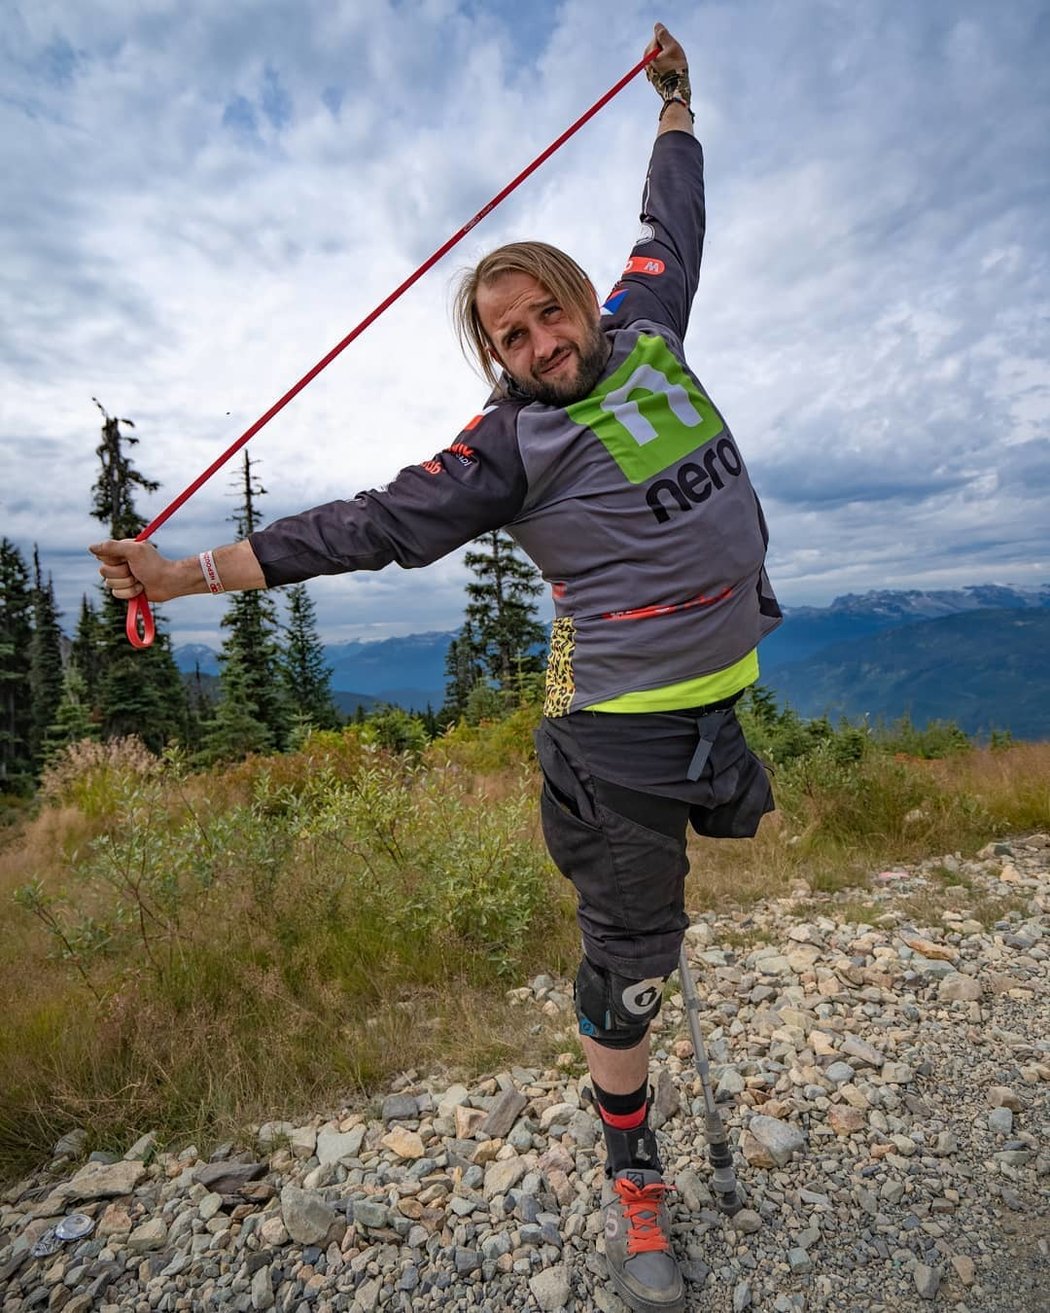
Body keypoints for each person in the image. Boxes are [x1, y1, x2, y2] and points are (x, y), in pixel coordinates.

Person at [91, 23, 780, 1313]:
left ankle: (652, 1007)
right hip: (615, 738)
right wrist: (182, 578)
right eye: (507, 338)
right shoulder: (503, 450)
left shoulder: (649, 325)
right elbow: (359, 525)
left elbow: (671, 216)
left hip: (712, 699)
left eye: (543, 315)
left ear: (580, 299)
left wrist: (677, 100)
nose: (536, 344)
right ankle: (638, 1184)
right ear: (496, 360)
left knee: (680, 914)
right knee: (630, 971)